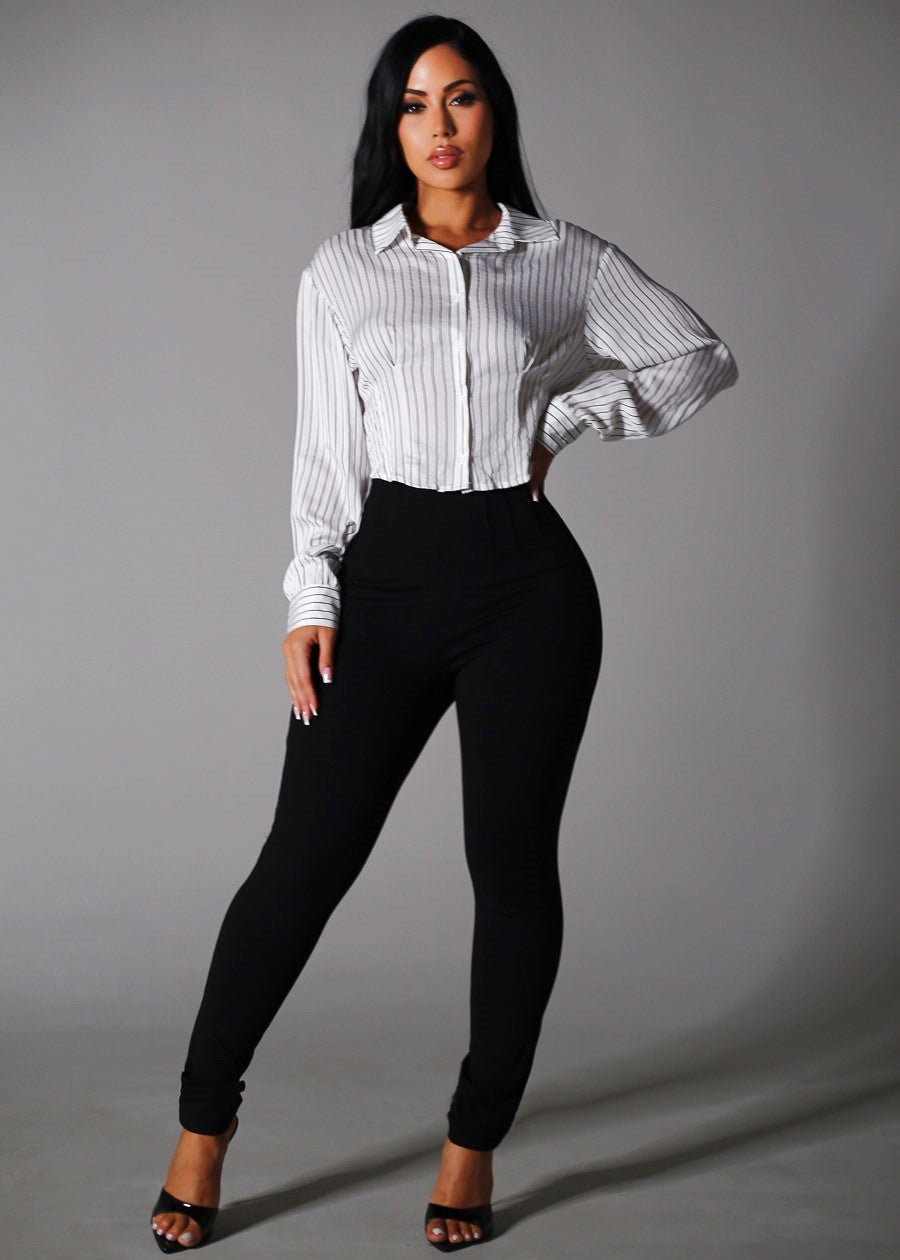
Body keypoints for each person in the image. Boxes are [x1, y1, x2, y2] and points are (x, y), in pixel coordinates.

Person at [150, 13, 738, 1254]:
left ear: (493, 113)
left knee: (511, 869)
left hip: (527, 590)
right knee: (301, 864)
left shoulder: (561, 258)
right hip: (386, 584)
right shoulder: (344, 271)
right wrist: (310, 602)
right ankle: (203, 1124)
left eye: (461, 98)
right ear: (391, 127)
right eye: (414, 105)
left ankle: (473, 1141)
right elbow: (324, 459)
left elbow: (699, 356)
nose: (440, 125)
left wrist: (566, 418)